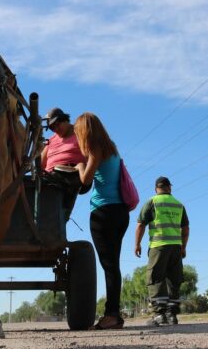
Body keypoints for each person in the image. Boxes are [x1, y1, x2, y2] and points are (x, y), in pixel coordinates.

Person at [74, 112, 128, 330]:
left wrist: (79, 165)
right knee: (113, 265)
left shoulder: (95, 149)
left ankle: (112, 315)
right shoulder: (111, 147)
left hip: (103, 213)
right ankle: (114, 314)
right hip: (120, 212)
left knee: (109, 266)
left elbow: (85, 180)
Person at [133, 176, 189, 326]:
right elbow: (185, 229)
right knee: (174, 280)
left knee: (155, 279)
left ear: (156, 189)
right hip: (176, 247)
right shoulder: (179, 205)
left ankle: (159, 315)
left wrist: (137, 244)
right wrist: (183, 247)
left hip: (158, 246)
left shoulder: (152, 202)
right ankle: (172, 315)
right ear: (169, 187)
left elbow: (140, 225)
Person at [41, 107, 86, 172]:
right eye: (52, 128)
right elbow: (40, 165)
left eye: (57, 124)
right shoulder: (50, 140)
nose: (56, 129)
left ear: (65, 120)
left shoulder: (82, 133)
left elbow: (92, 157)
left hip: (71, 174)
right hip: (49, 175)